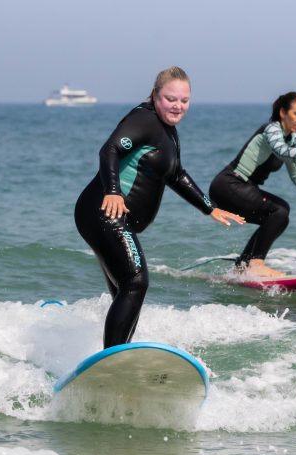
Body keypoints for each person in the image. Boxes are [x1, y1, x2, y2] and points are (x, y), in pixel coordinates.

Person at [74, 66, 245, 348]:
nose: (178, 106)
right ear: (155, 95)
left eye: (184, 100)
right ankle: (112, 359)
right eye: (170, 98)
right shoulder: (145, 120)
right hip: (104, 212)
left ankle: (117, 354)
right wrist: (113, 191)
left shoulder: (168, 132)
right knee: (135, 283)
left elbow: (175, 174)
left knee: (127, 289)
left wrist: (209, 207)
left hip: (112, 218)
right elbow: (110, 150)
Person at [208, 92, 296, 277]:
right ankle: (256, 264)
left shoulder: (291, 139)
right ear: (282, 112)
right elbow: (282, 151)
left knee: (278, 216)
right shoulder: (271, 130)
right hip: (229, 185)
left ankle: (242, 266)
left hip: (243, 188)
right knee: (279, 211)